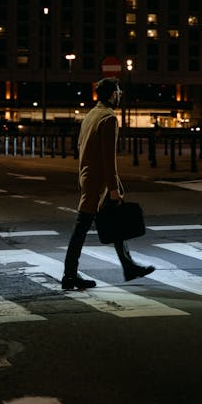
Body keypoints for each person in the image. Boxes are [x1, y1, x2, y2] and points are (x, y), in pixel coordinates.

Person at [62, 77, 155, 289]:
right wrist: (113, 189)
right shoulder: (109, 118)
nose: (120, 95)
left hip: (88, 178)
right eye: (119, 92)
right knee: (81, 228)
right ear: (113, 94)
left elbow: (81, 147)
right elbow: (108, 158)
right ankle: (69, 275)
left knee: (114, 223)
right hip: (99, 184)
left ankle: (128, 266)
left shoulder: (91, 115)